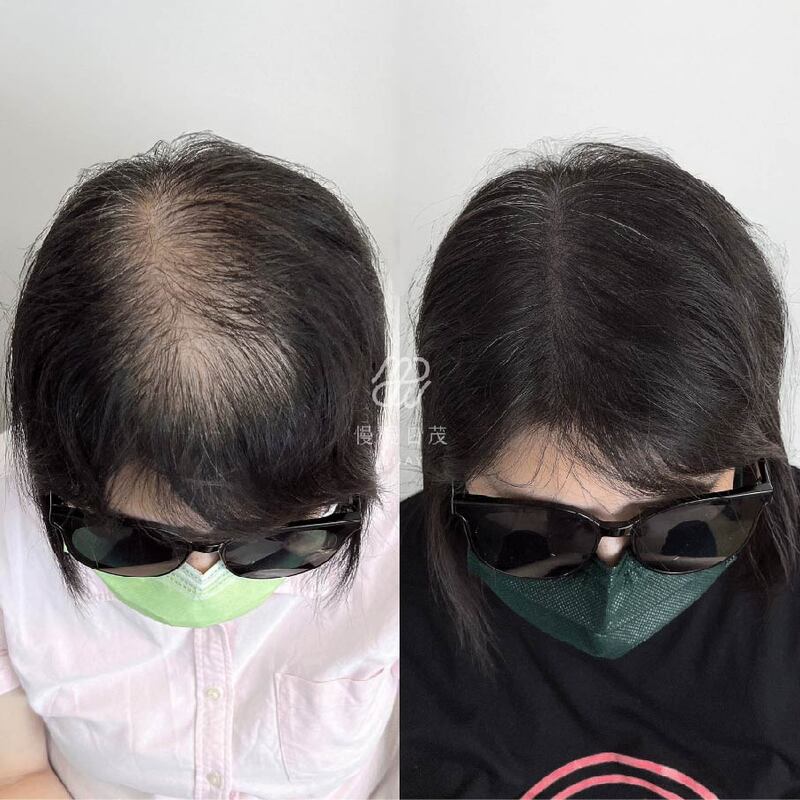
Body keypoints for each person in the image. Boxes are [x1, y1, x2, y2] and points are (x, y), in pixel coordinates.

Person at [0, 133, 398, 799]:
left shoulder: (415, 512)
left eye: (279, 541)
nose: (203, 579)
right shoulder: (11, 525)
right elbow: (17, 771)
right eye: (131, 540)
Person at [399, 142, 800, 799]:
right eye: (531, 532)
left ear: (752, 452)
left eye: (687, 524)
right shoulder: (369, 603)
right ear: (454, 470)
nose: (612, 580)